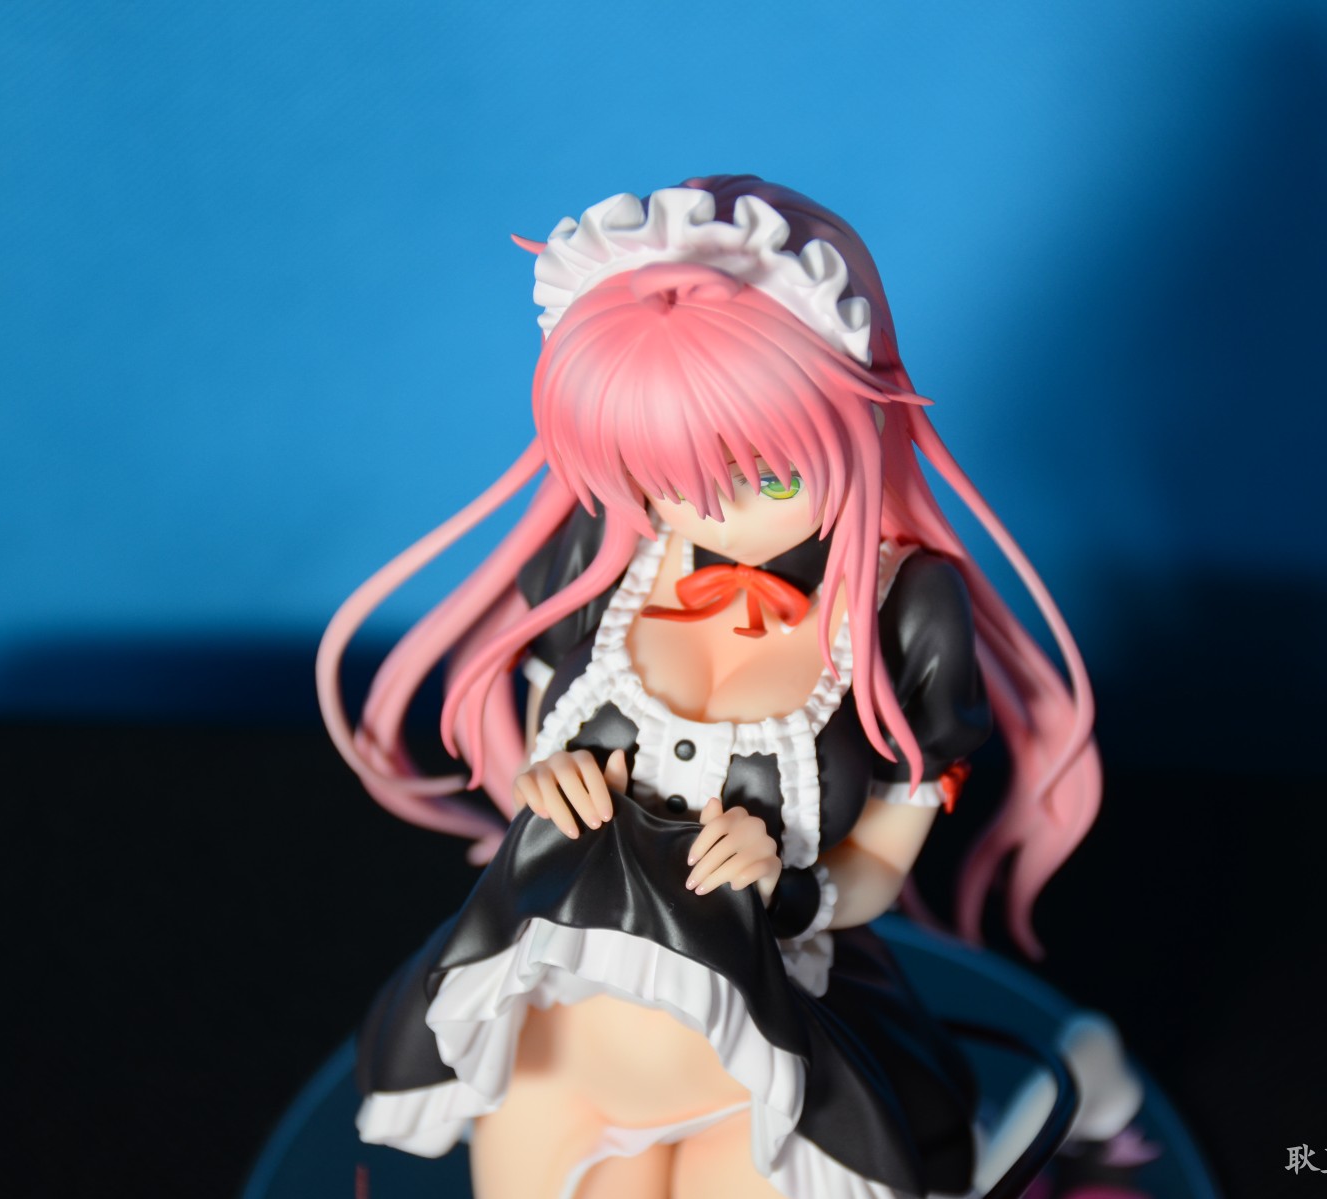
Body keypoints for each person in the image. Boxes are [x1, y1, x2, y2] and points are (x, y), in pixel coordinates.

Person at [316, 176, 1104, 1199]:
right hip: (560, 1055)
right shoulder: (597, 558)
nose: (714, 514)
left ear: (854, 412)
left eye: (768, 475)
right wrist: (544, 785)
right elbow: (534, 767)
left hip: (760, 1074)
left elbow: (875, 866)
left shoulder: (903, 611)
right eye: (669, 477)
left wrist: (784, 878)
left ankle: (1060, 1103)